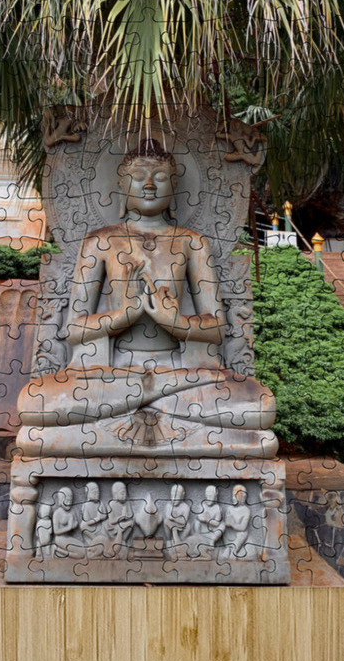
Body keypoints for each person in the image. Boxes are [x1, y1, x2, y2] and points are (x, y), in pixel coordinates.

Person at [16, 143, 277, 458]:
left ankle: (138, 403)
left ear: (174, 185)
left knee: (261, 404)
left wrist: (175, 322)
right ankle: (150, 400)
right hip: (112, 374)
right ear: (121, 184)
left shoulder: (192, 243)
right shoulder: (100, 242)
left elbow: (217, 327)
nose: (149, 184)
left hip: (180, 375)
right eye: (138, 176)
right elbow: (74, 329)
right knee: (35, 400)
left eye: (160, 177)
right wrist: (124, 314)